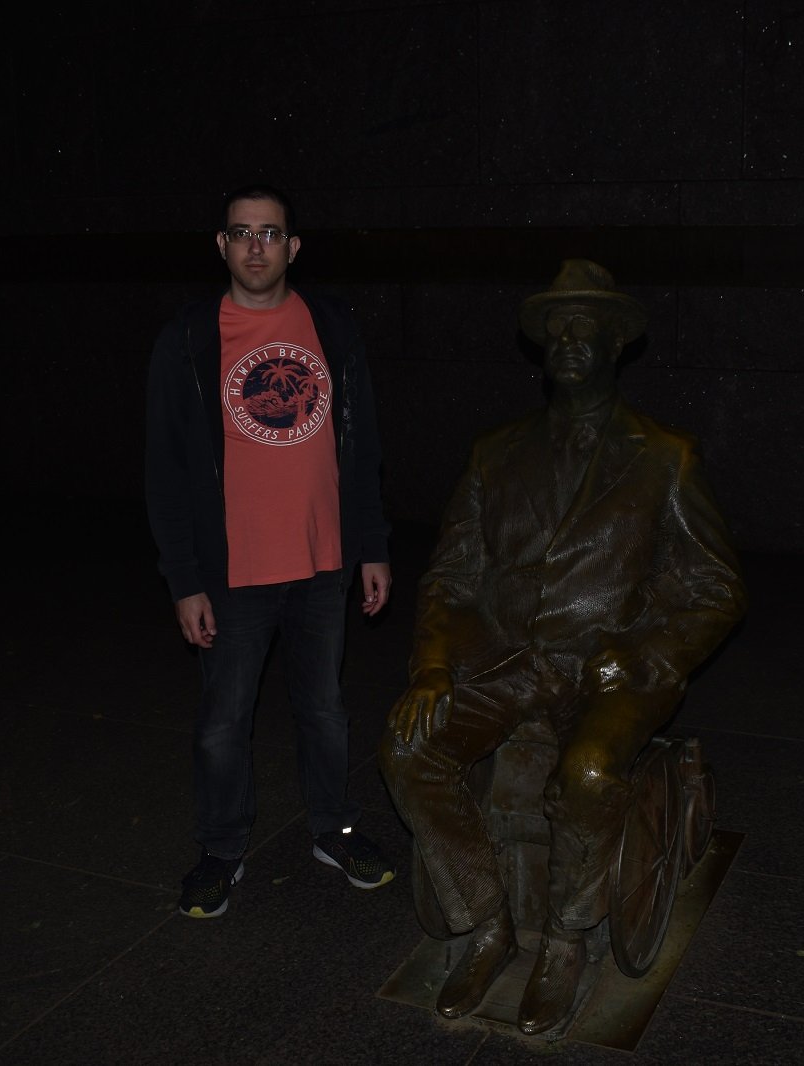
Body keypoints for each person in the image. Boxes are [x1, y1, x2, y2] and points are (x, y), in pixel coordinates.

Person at [379, 259, 747, 1035]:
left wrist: (646, 654)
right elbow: (449, 577)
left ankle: (566, 939)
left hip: (609, 669)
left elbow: (716, 588)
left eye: (587, 327)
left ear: (618, 344)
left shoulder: (664, 456)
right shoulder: (494, 452)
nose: (569, 339)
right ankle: (487, 924)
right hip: (507, 662)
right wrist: (434, 668)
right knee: (410, 750)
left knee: (589, 771)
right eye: (557, 329)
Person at [146, 182, 395, 919]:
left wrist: (372, 546)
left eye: (270, 233)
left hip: (324, 564)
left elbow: (363, 446)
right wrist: (184, 580)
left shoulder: (332, 325)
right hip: (233, 573)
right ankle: (222, 851)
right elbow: (164, 470)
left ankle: (334, 830)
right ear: (222, 246)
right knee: (223, 723)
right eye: (241, 233)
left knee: (325, 711)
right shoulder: (188, 339)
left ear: (293, 247)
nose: (256, 246)